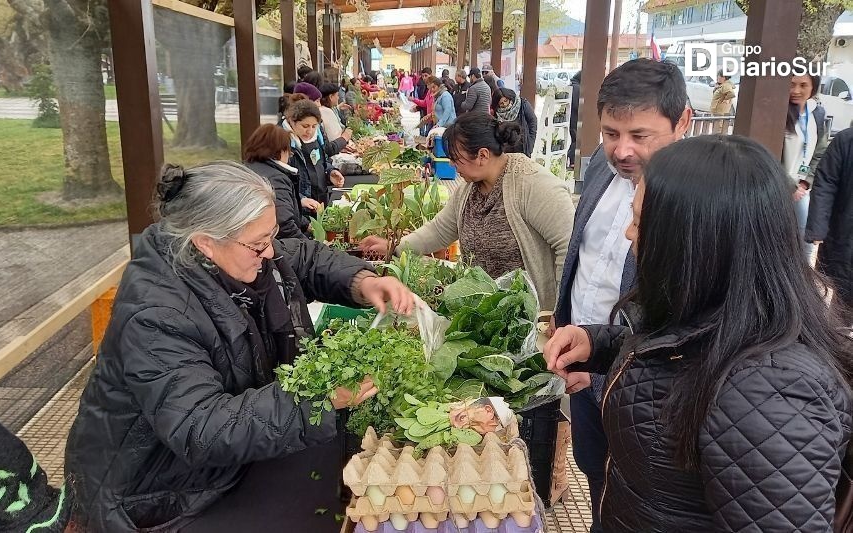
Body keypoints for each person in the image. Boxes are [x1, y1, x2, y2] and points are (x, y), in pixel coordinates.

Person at [65, 162, 415, 531]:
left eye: (270, 236)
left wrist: (362, 282)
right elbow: (200, 427)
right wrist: (322, 398)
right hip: (163, 490)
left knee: (335, 458)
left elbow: (301, 256)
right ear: (205, 242)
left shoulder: (231, 255)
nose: (268, 252)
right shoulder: (157, 315)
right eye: (258, 244)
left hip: (222, 460)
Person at [545, 135, 853, 531]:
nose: (628, 234)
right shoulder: (724, 315)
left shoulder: (770, 390)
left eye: (639, 222)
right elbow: (682, 356)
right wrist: (599, 343)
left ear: (692, 245)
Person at [551, 58, 690, 532]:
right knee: (596, 475)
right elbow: (582, 257)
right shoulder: (598, 171)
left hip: (643, 382)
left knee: (640, 494)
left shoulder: (697, 199)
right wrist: (566, 320)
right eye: (611, 133)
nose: (622, 149)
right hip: (588, 362)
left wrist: (613, 365)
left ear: (682, 121)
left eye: (639, 135)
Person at [360, 113, 574, 313]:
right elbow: (440, 230)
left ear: (482, 155)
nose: (452, 165)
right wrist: (395, 247)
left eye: (456, 159)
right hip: (485, 313)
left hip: (530, 316)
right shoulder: (469, 189)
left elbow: (568, 246)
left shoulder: (532, 184)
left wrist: (560, 311)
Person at [807, 127, 853, 327]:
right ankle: (840, 338)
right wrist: (818, 227)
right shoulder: (846, 140)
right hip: (844, 232)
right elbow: (826, 182)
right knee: (843, 289)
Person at [782, 72, 827, 262]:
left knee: (806, 241)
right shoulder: (779, 112)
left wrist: (804, 183)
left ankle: (804, 282)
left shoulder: (816, 113)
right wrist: (790, 186)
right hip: (778, 186)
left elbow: (819, 151)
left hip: (801, 189)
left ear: (813, 88)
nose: (796, 91)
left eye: (803, 85)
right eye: (791, 84)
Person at [244, 124, 312, 240]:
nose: (290, 155)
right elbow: (283, 223)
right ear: (280, 150)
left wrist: (306, 225)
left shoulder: (249, 168)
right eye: (288, 149)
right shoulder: (276, 178)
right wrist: (311, 248)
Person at [284, 99, 345, 210]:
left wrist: (330, 172)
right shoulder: (285, 145)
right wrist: (300, 199)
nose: (310, 131)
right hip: (301, 208)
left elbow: (323, 161)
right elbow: (284, 182)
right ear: (292, 122)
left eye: (313, 126)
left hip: (320, 199)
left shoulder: (317, 137)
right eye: (305, 126)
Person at [495, 88, 537, 158]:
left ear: (510, 98)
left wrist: (530, 144)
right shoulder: (497, 114)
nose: (505, 104)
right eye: (501, 103)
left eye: (506, 101)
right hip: (506, 151)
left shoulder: (522, 105)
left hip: (523, 147)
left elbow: (533, 122)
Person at [319, 82, 353, 149]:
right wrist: (346, 135)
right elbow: (334, 138)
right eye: (337, 95)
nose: (338, 98)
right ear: (331, 97)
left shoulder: (325, 109)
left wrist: (338, 107)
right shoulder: (326, 111)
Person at [709, 70, 735, 135]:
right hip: (717, 111)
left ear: (723, 77)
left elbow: (731, 93)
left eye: (718, 76)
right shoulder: (721, 85)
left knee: (719, 128)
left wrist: (724, 99)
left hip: (720, 111)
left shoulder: (726, 85)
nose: (717, 77)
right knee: (716, 126)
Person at [568, 71, 581, 169]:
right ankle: (572, 160)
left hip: (570, 117)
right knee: (576, 140)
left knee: (574, 139)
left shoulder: (571, 86)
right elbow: (577, 104)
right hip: (575, 117)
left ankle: (571, 160)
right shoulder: (577, 88)